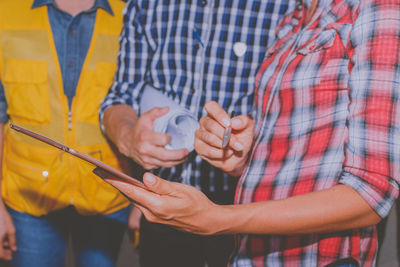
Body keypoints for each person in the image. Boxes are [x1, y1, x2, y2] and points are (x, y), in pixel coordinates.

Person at [100, 0, 400, 265]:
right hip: (241, 239)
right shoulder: (295, 18)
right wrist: (244, 157)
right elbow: (298, 141)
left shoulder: (375, 9)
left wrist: (218, 218)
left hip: (294, 245)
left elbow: (372, 191)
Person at [100, 0, 295, 266]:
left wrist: (256, 144)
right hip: (163, 202)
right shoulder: (145, 4)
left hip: (248, 207)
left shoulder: (286, 6)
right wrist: (128, 136)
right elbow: (120, 95)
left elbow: (300, 113)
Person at [0, 0, 132, 266]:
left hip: (108, 193)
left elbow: (143, 110)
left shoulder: (129, 14)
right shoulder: (5, 11)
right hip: (27, 197)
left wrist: (144, 202)